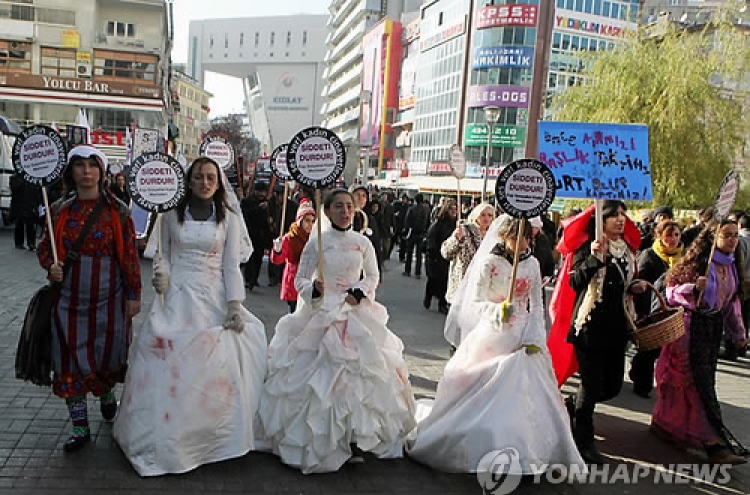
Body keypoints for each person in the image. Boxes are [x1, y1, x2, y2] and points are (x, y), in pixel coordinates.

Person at [114, 156, 268, 476]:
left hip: (213, 294)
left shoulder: (229, 219)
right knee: (168, 357)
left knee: (215, 362)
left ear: (218, 181)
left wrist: (235, 304)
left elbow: (230, 265)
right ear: (189, 180)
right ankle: (170, 433)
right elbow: (164, 253)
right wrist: (161, 274)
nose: (205, 183)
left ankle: (210, 434)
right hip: (176, 294)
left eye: (211, 177)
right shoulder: (171, 213)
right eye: (198, 177)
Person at [407, 217, 585, 474]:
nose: (524, 243)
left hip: (524, 335)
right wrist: (496, 310)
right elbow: (476, 302)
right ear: (505, 236)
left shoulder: (532, 263)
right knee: (482, 384)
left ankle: (525, 448)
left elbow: (536, 305)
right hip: (494, 333)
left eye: (527, 238)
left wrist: (535, 335)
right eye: (518, 237)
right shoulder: (489, 263)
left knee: (528, 393)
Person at [257, 189, 415, 474]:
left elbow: (374, 276)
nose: (345, 211)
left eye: (349, 207)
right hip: (321, 311)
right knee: (319, 377)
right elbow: (302, 278)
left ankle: (355, 438)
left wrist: (360, 290)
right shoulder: (317, 243)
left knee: (360, 375)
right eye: (339, 207)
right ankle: (323, 439)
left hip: (356, 312)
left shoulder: (362, 243)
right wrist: (312, 289)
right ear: (327, 211)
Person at [36, 145, 141, 453]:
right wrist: (51, 266)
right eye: (79, 165)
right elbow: (45, 248)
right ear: (71, 171)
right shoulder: (58, 210)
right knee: (69, 361)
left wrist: (134, 295)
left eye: (92, 166)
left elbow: (130, 258)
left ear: (102, 171)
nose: (86, 171)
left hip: (109, 300)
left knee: (106, 356)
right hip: (68, 301)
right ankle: (79, 427)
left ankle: (107, 397)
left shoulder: (118, 212)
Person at [546, 201, 645, 464]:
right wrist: (593, 258)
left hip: (617, 328)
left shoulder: (628, 252)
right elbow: (575, 282)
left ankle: (573, 404)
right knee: (589, 388)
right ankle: (583, 442)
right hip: (589, 326)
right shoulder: (587, 248)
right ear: (602, 220)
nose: (620, 220)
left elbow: (625, 283)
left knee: (611, 386)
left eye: (623, 215)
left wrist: (636, 287)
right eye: (613, 216)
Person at [650, 219, 748, 464]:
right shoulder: (698, 264)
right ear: (712, 238)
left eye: (735, 235)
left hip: (711, 331)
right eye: (727, 235)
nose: (732, 240)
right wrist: (693, 288)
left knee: (700, 383)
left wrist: (738, 335)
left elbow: (731, 305)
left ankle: (667, 424)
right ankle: (713, 443)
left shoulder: (733, 266)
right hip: (689, 330)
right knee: (692, 384)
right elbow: (670, 291)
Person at [629, 219, 683, 398]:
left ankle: (639, 369)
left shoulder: (681, 257)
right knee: (649, 348)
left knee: (662, 348)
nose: (673, 239)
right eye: (669, 235)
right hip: (648, 307)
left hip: (670, 308)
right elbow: (638, 281)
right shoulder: (650, 255)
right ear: (659, 236)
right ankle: (642, 383)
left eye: (676, 235)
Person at [441, 203, 495, 310]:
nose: (486, 218)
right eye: (483, 215)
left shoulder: (493, 235)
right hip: (463, 283)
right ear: (476, 215)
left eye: (490, 215)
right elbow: (446, 252)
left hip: (482, 287)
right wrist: (457, 239)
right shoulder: (465, 229)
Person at [270, 200, 316, 313]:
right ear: (300, 221)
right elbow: (277, 261)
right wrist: (277, 250)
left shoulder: (316, 238)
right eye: (307, 220)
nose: (310, 224)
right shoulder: (289, 238)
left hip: (311, 282)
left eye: (313, 221)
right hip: (294, 283)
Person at [424, 199, 457, 314]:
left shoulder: (458, 224)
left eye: (455, 209)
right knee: (434, 280)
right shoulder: (439, 222)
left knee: (445, 281)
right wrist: (434, 251)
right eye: (451, 209)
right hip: (437, 256)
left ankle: (442, 304)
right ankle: (428, 295)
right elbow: (431, 237)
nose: (454, 212)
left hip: (450, 257)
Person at [241, 182, 272, 290]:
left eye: (264, 192)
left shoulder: (267, 203)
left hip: (261, 235)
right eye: (260, 191)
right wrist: (258, 208)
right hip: (250, 233)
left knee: (258, 257)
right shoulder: (247, 201)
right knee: (250, 258)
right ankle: (249, 279)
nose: (262, 194)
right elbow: (245, 215)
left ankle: (254, 279)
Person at [10, 172, 41, 250]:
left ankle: (31, 243)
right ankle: (19, 243)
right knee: (19, 224)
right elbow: (14, 188)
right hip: (19, 204)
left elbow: (37, 191)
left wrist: (38, 203)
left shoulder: (33, 177)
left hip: (30, 204)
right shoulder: (15, 177)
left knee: (31, 225)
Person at [402, 193, 430, 278]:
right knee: (419, 254)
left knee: (409, 252)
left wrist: (406, 231)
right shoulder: (426, 210)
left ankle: (407, 270)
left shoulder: (411, 209)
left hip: (412, 232)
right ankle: (418, 272)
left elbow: (407, 222)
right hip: (421, 233)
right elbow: (428, 222)